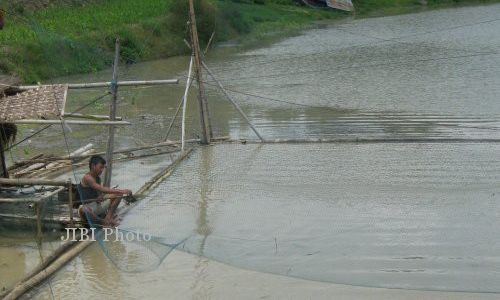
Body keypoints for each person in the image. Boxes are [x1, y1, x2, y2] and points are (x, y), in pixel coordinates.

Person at [78, 155, 132, 227]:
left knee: (118, 195)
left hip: (97, 206)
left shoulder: (97, 178)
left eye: (103, 168)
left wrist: (101, 196)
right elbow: (102, 189)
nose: (102, 170)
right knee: (85, 210)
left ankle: (108, 218)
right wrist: (122, 191)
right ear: (93, 166)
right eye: (100, 167)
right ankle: (103, 222)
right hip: (89, 208)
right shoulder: (87, 178)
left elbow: (101, 192)